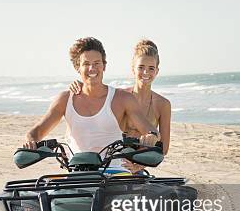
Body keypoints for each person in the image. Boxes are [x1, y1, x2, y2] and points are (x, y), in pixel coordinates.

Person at [23, 37, 159, 160]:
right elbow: (38, 131)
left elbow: (151, 131)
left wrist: (151, 136)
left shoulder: (123, 99)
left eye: (97, 63)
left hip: (114, 172)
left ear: (104, 66)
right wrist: (30, 141)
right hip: (77, 173)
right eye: (86, 64)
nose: (92, 68)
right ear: (78, 68)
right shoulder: (64, 100)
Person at [69, 39, 171, 172]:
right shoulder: (119, 97)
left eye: (151, 68)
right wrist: (79, 86)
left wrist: (138, 167)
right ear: (133, 69)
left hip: (140, 164)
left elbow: (163, 148)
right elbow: (95, 94)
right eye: (141, 67)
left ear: (157, 71)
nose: (146, 72)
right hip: (112, 162)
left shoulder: (163, 104)